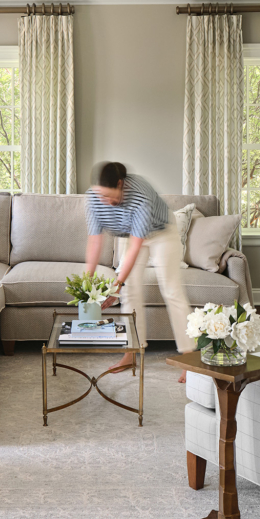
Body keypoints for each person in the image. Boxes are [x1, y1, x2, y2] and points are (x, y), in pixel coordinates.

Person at [83, 162, 194, 383]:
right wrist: (88, 281)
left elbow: (136, 245)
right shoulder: (94, 197)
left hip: (162, 232)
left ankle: (191, 358)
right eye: (101, 196)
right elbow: (95, 241)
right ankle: (131, 353)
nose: (105, 202)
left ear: (120, 184)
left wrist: (117, 283)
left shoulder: (139, 194)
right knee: (130, 293)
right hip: (130, 237)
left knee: (171, 290)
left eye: (109, 196)